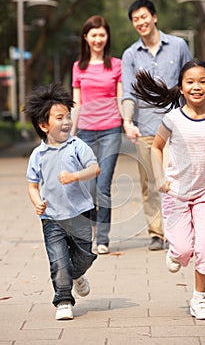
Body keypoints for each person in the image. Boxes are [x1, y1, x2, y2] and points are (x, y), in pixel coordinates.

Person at [132, 58, 205, 319]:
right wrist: (158, 178)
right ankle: (176, 253)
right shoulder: (173, 119)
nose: (196, 86)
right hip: (175, 194)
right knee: (183, 250)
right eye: (190, 82)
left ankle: (199, 299)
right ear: (181, 87)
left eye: (202, 81)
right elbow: (156, 146)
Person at [24, 82, 100, 321]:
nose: (66, 122)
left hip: (80, 213)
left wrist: (75, 176)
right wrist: (37, 202)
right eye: (60, 117)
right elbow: (32, 185)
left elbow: (95, 168)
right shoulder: (38, 154)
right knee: (58, 260)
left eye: (68, 116)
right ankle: (64, 299)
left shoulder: (77, 146)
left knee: (85, 255)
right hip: (52, 218)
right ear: (44, 125)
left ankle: (77, 275)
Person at [122, 0, 192, 250]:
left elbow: (190, 80)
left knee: (180, 179)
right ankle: (156, 233)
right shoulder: (130, 54)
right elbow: (128, 92)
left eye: (144, 17)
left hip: (177, 127)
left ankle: (180, 229)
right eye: (135, 19)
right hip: (146, 127)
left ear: (154, 17)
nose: (140, 22)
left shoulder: (178, 45)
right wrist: (128, 121)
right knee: (150, 182)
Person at [71, 15, 122, 255]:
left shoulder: (116, 65)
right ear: (86, 38)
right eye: (94, 35)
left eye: (102, 34)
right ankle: (87, 234)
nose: (98, 39)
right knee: (87, 188)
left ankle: (102, 238)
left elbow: (121, 98)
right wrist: (69, 135)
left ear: (107, 37)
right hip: (85, 134)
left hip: (111, 129)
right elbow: (76, 104)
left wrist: (128, 123)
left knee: (103, 186)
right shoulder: (78, 67)